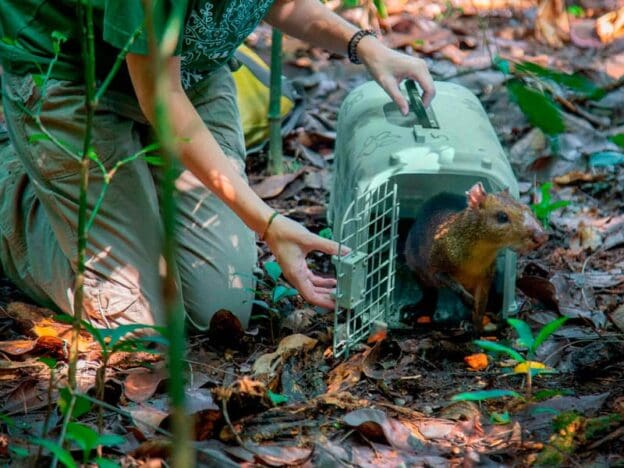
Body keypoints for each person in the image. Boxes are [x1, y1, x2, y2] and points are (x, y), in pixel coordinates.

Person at [0, 0, 435, 331]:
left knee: (219, 305)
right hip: (76, 75)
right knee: (134, 322)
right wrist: (267, 222)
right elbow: (161, 100)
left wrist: (364, 46)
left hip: (187, 71)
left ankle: (129, 198)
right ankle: (15, 177)